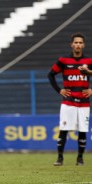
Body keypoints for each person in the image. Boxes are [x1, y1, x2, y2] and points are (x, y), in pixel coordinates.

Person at [48, 32, 92, 166]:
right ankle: (60, 158)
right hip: (69, 102)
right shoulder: (63, 60)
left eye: (80, 42)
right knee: (64, 129)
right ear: (71, 44)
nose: (78, 45)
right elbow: (51, 75)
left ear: (83, 45)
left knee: (83, 130)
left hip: (84, 102)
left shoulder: (89, 61)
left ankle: (80, 158)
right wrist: (59, 90)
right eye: (76, 42)